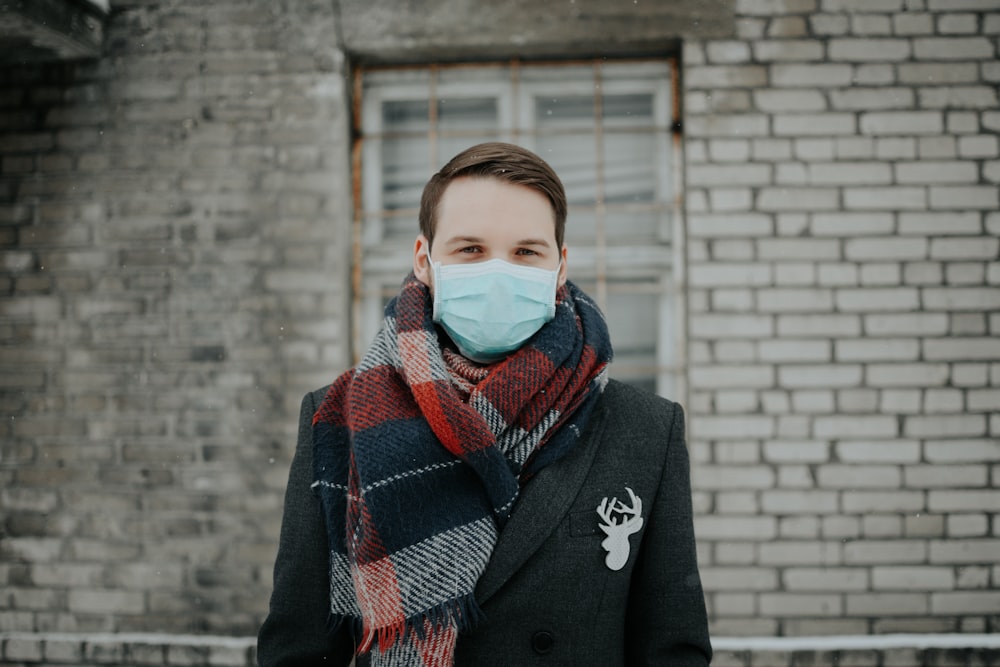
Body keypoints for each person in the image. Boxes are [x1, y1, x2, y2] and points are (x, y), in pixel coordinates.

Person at [257, 142, 712, 666]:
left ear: (559, 267)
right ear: (425, 262)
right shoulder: (338, 419)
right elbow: (298, 650)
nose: (499, 273)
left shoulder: (645, 429)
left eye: (526, 252)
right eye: (470, 249)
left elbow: (672, 650)